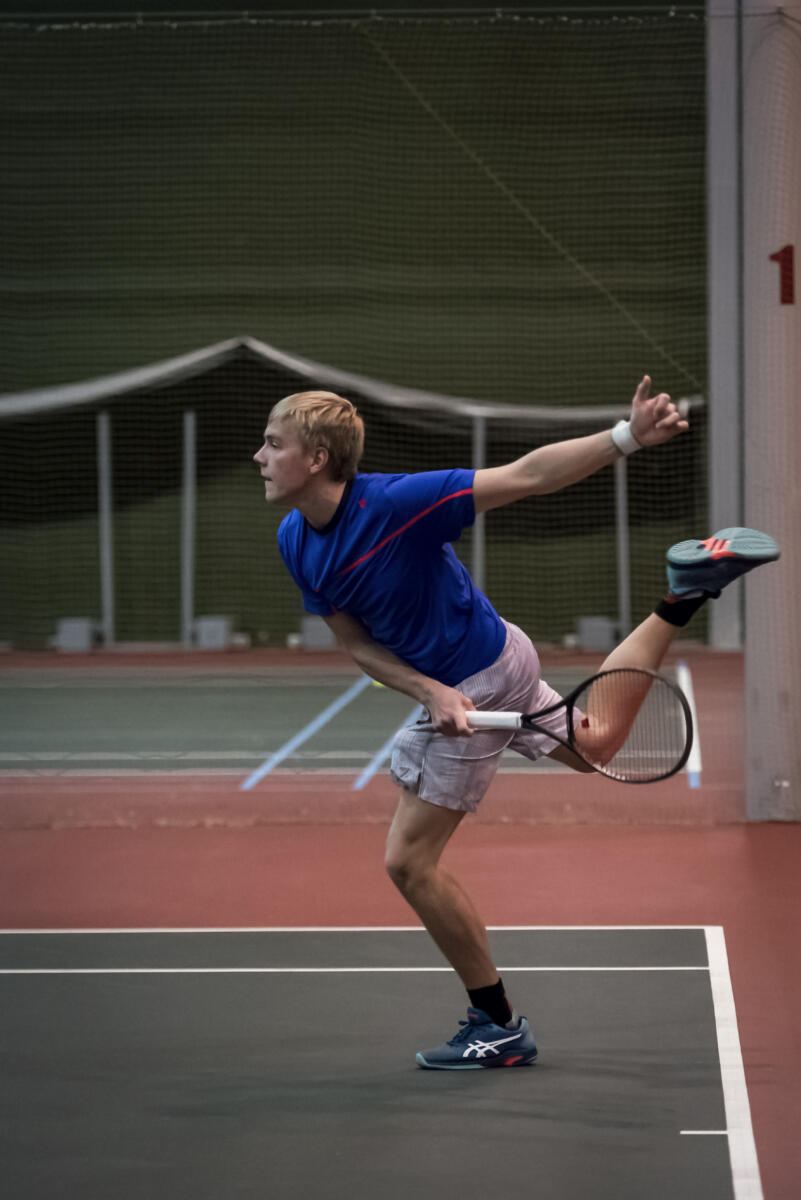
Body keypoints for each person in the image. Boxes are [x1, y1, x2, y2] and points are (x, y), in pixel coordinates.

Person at [254, 379, 779, 1070]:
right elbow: (356, 644)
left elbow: (528, 475)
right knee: (595, 745)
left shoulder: (395, 505)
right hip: (489, 661)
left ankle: (497, 1023)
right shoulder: (295, 539)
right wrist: (429, 691)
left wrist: (628, 436)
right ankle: (683, 595)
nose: (260, 456)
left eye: (273, 443)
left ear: (317, 458)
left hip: (483, 675)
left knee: (409, 862)